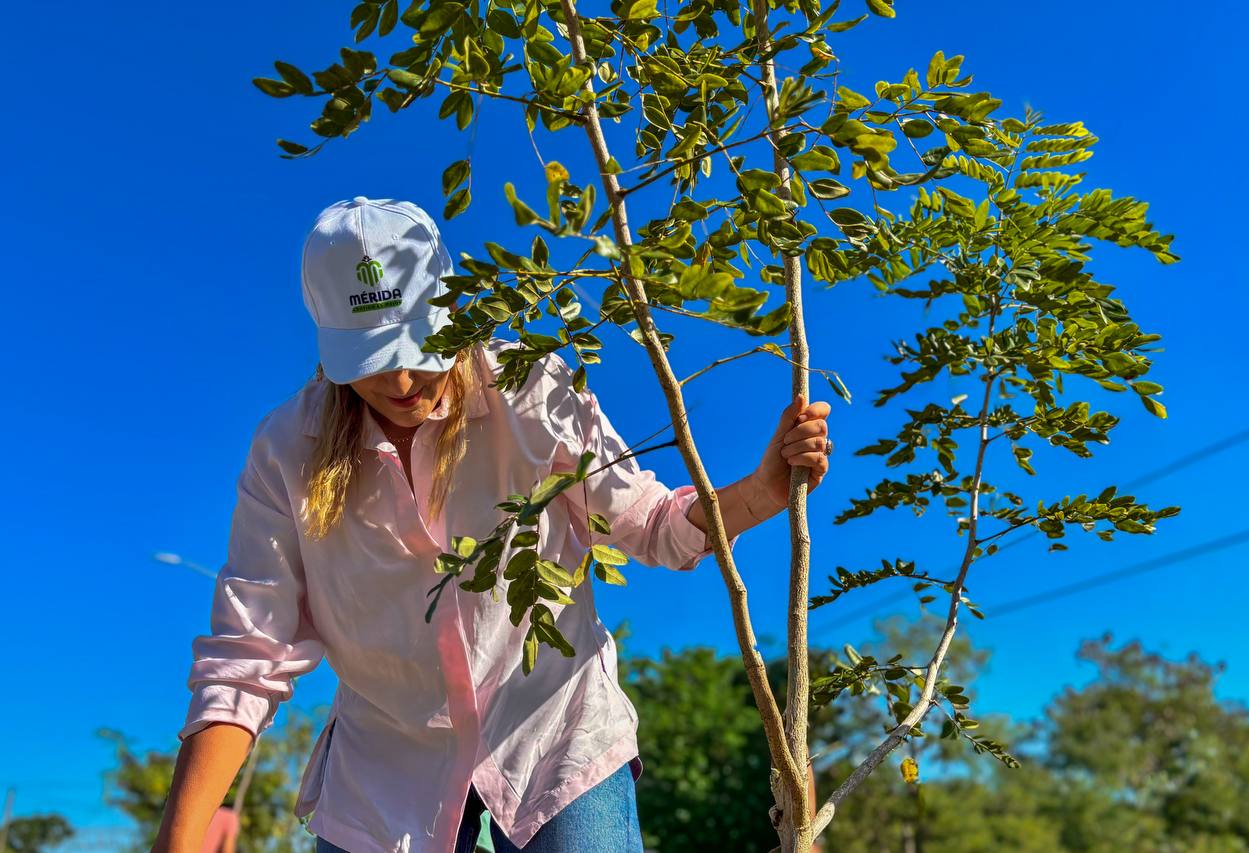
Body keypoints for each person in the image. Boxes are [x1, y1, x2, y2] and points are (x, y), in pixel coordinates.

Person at [151, 197, 833, 853]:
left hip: (555, 737)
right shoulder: (286, 451)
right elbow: (246, 658)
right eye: (372, 358)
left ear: (451, 307)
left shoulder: (532, 390)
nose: (401, 380)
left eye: (418, 342)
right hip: (385, 775)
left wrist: (762, 492)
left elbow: (650, 524)